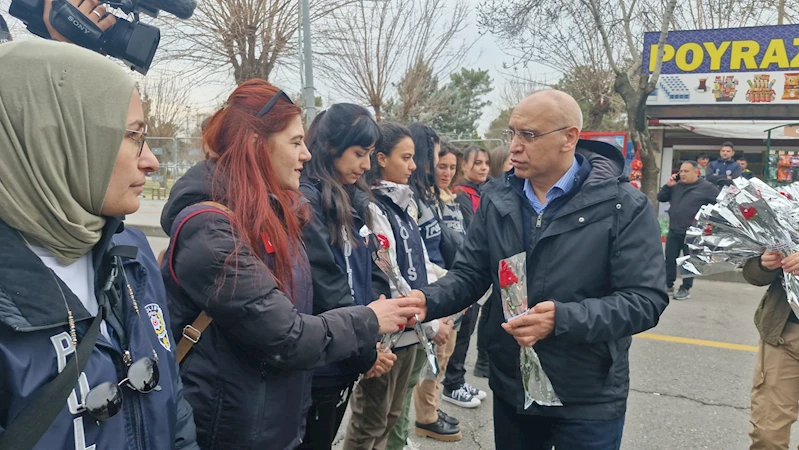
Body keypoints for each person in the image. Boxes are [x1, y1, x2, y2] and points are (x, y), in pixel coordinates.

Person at [160, 81, 421, 450]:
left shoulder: (278, 216)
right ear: (255, 144)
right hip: (232, 432)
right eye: (295, 143)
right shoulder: (211, 228)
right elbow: (287, 336)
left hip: (276, 424)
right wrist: (368, 320)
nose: (306, 155)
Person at [409, 89, 668, 450]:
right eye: (511, 133)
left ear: (569, 138)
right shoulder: (498, 198)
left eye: (528, 135)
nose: (514, 146)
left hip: (587, 394)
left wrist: (561, 319)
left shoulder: (623, 206)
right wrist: (424, 301)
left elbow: (645, 300)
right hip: (513, 387)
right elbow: (469, 275)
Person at [0, 39, 198, 449]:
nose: (152, 161)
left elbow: (172, 403)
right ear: (54, 139)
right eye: (133, 136)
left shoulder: (132, 249)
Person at [298, 104, 399, 449]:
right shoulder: (307, 204)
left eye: (370, 154)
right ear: (330, 147)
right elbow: (328, 286)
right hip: (323, 358)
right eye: (359, 153)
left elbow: (371, 270)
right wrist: (365, 352)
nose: (366, 165)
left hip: (349, 348)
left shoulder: (354, 201)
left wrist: (372, 334)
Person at [344, 122, 439, 450]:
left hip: (413, 328)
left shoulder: (405, 207)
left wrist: (438, 300)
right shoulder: (371, 206)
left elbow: (421, 264)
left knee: (393, 414)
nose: (413, 166)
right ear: (381, 158)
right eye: (406, 157)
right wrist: (416, 306)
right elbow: (387, 266)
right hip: (388, 332)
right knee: (370, 419)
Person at [443, 144, 490, 408]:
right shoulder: (461, 195)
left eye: (486, 163)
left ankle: (457, 379)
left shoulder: (482, 192)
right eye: (478, 163)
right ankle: (452, 383)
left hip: (477, 273)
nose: (483, 168)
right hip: (463, 272)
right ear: (466, 166)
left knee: (467, 329)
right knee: (458, 333)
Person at [744, 250, 799, 450]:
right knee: (767, 437)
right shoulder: (788, 218)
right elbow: (752, 273)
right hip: (785, 335)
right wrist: (764, 264)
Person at [657, 161, 719, 300]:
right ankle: (668, 284)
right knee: (670, 259)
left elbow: (719, 204)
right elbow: (661, 198)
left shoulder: (707, 187)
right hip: (674, 229)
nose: (682, 174)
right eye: (681, 171)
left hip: (692, 232)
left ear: (696, 172)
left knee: (689, 261)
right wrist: (668, 186)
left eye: (686, 171)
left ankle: (685, 288)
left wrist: (708, 222)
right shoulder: (676, 186)